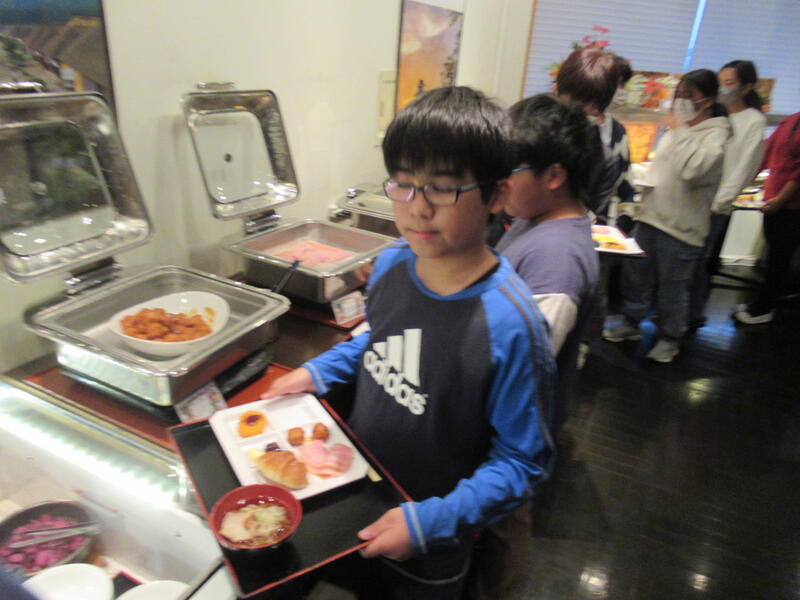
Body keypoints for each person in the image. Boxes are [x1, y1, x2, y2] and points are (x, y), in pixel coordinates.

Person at [261, 86, 556, 599]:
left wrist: (430, 522)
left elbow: (523, 461)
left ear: (497, 195)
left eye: (443, 188)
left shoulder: (513, 324)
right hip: (353, 486)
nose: (417, 208)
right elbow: (381, 340)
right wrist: (320, 370)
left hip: (430, 531)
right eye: (403, 184)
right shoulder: (394, 264)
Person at [467, 94, 601, 600]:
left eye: (510, 171)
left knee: (502, 528)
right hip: (500, 417)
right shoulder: (533, 220)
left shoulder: (557, 259)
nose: (499, 183)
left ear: (554, 175)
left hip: (511, 426)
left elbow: (523, 360)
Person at [603, 69, 730, 363]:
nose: (682, 100)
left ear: (709, 100)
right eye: (680, 94)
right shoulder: (678, 131)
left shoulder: (716, 137)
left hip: (682, 229)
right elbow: (663, 168)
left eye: (690, 95)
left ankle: (670, 338)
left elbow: (692, 171)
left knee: (673, 288)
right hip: (651, 217)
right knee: (636, 276)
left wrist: (681, 129)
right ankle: (632, 323)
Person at [689, 60, 767, 328]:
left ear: (746, 87)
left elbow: (745, 169)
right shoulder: (715, 114)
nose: (722, 87)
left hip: (715, 204)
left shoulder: (753, 121)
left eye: (729, 83)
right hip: (694, 198)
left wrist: (722, 201)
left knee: (699, 260)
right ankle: (676, 311)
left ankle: (691, 315)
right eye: (720, 81)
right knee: (686, 259)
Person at [733, 111, 800, 324]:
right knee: (774, 255)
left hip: (791, 206)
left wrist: (780, 199)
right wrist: (740, 184)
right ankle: (762, 303)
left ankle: (764, 309)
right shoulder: (792, 119)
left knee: (779, 259)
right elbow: (766, 152)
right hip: (775, 200)